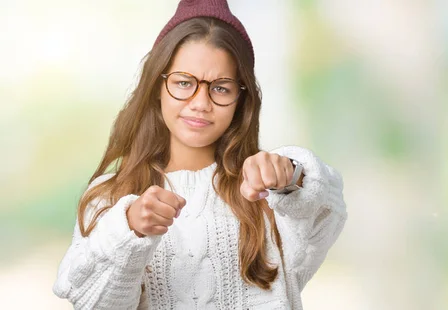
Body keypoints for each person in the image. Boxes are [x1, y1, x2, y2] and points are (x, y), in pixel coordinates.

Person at [52, 0, 347, 309]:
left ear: (241, 99)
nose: (200, 103)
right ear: (157, 86)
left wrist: (292, 174)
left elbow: (326, 212)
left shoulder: (268, 195)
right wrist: (130, 231)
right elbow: (91, 303)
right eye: (183, 83)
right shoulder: (110, 199)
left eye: (220, 88)